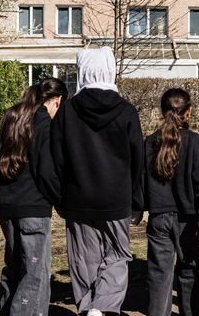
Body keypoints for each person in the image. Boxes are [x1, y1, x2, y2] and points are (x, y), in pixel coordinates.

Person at [50, 47, 144, 316]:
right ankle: (102, 306)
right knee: (117, 255)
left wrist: (60, 197)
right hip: (117, 198)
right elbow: (138, 159)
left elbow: (56, 158)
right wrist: (137, 199)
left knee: (83, 257)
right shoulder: (127, 111)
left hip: (77, 197)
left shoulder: (66, 112)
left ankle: (88, 307)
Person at [142, 88, 199, 316]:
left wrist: (138, 206)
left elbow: (140, 179)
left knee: (159, 272)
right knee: (190, 267)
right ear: (189, 111)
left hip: (158, 216)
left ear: (162, 112)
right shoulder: (193, 142)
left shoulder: (150, 142)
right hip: (187, 218)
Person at [0, 78, 68, 316]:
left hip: (7, 206)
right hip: (33, 209)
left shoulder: (11, 116)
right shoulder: (43, 121)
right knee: (35, 274)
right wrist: (61, 202)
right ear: (56, 101)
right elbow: (46, 170)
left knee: (14, 269)